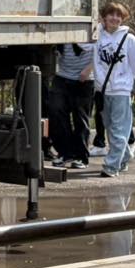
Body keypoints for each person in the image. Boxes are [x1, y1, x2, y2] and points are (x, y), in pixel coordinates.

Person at [95, 2, 135, 177]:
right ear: (104, 17)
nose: (115, 18)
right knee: (110, 128)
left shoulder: (129, 39)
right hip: (103, 90)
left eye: (119, 15)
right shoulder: (98, 37)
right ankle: (124, 156)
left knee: (119, 129)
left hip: (121, 91)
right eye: (111, 14)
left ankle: (111, 166)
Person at [48, 32, 96, 169]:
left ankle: (81, 156)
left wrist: (89, 69)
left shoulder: (92, 28)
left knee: (80, 119)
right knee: (56, 112)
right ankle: (65, 153)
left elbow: (101, 49)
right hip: (62, 75)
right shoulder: (61, 27)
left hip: (84, 78)